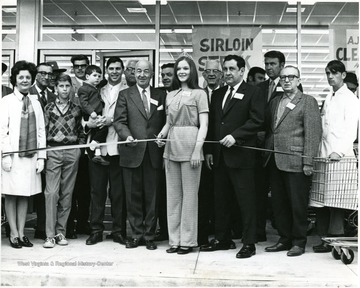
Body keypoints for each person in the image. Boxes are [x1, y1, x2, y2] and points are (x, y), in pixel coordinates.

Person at [201, 54, 264, 259]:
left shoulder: (253, 92)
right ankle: (222, 239)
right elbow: (213, 124)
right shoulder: (218, 94)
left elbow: (257, 121)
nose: (227, 73)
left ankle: (249, 243)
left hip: (242, 156)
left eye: (231, 69)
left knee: (246, 202)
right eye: (225, 69)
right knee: (221, 201)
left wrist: (236, 136)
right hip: (219, 157)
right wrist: (209, 151)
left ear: (241, 71)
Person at [263, 66, 322, 257]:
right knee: (279, 204)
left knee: (297, 204)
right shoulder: (275, 102)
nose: (286, 80)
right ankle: (285, 238)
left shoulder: (307, 101)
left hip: (297, 161)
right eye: (283, 77)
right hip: (275, 160)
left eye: (291, 77)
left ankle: (299, 241)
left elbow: (313, 134)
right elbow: (273, 130)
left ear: (298, 80)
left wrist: (308, 162)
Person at [155, 55, 209, 255]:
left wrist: (197, 150)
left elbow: (204, 125)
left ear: (192, 70)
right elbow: (169, 122)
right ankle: (174, 240)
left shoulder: (199, 94)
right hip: (172, 146)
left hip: (190, 143)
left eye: (185, 68)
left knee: (189, 197)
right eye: (179, 68)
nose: (181, 72)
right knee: (173, 196)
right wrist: (161, 136)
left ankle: (187, 240)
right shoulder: (170, 95)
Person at [113, 59, 166, 250]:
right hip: (131, 151)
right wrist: (126, 136)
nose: (142, 75)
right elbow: (119, 121)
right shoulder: (124, 95)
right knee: (132, 196)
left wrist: (163, 137)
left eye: (146, 71)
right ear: (133, 73)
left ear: (152, 73)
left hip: (154, 153)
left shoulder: (161, 95)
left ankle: (150, 235)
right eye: (138, 71)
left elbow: (167, 120)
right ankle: (136, 234)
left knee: (152, 197)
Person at [312, 60, 359, 253]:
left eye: (334, 73)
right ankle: (325, 237)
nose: (330, 76)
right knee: (322, 199)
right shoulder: (330, 97)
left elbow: (351, 131)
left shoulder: (350, 99)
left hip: (340, 155)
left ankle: (335, 236)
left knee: (337, 200)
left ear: (343, 75)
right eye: (328, 73)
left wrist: (338, 151)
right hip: (324, 153)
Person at [0, 60, 46, 248]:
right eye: (21, 77)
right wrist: (5, 155)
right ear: (15, 80)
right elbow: (2, 130)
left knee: (25, 194)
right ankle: (13, 233)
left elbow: (42, 130)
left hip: (30, 156)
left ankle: (21, 232)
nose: (25, 80)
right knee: (12, 194)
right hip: (12, 157)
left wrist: (41, 157)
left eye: (28, 77)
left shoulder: (35, 102)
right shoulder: (6, 101)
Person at [85, 56, 128, 246]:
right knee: (97, 192)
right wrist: (88, 123)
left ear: (122, 70)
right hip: (97, 148)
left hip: (118, 147)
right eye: (111, 68)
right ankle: (96, 230)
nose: (115, 71)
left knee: (118, 193)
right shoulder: (96, 89)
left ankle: (118, 231)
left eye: (118, 68)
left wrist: (110, 120)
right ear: (106, 70)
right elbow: (83, 114)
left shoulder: (129, 90)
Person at [43, 74, 85, 248]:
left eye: (67, 86)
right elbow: (43, 130)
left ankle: (61, 233)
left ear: (71, 88)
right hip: (53, 150)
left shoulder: (77, 109)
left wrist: (79, 150)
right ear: (56, 89)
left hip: (71, 151)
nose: (65, 89)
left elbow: (82, 131)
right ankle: (49, 235)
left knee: (67, 194)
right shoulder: (49, 107)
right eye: (61, 86)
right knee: (52, 193)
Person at [255, 50, 286, 242]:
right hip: (259, 147)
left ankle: (284, 232)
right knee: (257, 191)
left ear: (282, 65)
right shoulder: (259, 87)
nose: (268, 68)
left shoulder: (289, 86)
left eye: (272, 64)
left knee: (279, 194)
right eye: (266, 64)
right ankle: (258, 232)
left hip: (278, 148)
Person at [29, 62, 56, 241]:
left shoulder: (53, 96)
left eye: (49, 74)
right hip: (31, 146)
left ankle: (42, 227)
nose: (46, 77)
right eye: (43, 73)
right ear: (36, 74)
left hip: (50, 148)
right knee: (28, 188)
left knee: (47, 188)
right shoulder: (27, 92)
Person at [198, 59, 223, 247]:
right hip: (201, 152)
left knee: (221, 195)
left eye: (215, 71)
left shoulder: (225, 93)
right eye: (208, 71)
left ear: (221, 74)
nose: (212, 74)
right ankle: (203, 233)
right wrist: (205, 150)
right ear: (203, 74)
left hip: (223, 153)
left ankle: (221, 231)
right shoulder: (199, 94)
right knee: (203, 194)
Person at [66, 54, 91, 239]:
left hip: (91, 143)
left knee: (85, 187)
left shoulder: (94, 83)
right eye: (77, 66)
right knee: (70, 188)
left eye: (83, 66)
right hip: (72, 142)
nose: (80, 69)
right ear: (73, 67)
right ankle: (70, 224)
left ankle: (83, 222)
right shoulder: (69, 85)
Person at [155, 62, 175, 242]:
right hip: (159, 151)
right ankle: (163, 229)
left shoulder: (186, 93)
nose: (166, 77)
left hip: (178, 149)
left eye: (169, 74)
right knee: (161, 192)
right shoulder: (158, 94)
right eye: (163, 75)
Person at [78, 65, 109, 166]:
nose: (97, 78)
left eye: (99, 76)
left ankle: (97, 154)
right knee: (102, 130)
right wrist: (92, 112)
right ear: (87, 77)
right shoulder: (83, 89)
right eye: (94, 75)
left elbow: (103, 82)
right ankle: (92, 147)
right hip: (90, 115)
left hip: (97, 113)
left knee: (99, 131)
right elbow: (84, 103)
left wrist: (105, 79)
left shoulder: (95, 87)